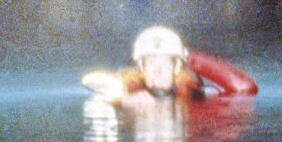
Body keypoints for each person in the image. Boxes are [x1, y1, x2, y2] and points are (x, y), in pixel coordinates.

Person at [83, 23, 259, 106]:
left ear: (176, 68)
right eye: (151, 63)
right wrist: (124, 100)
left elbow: (246, 88)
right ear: (141, 68)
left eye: (166, 63)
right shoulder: (124, 93)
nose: (158, 71)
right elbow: (90, 86)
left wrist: (189, 57)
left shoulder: (194, 95)